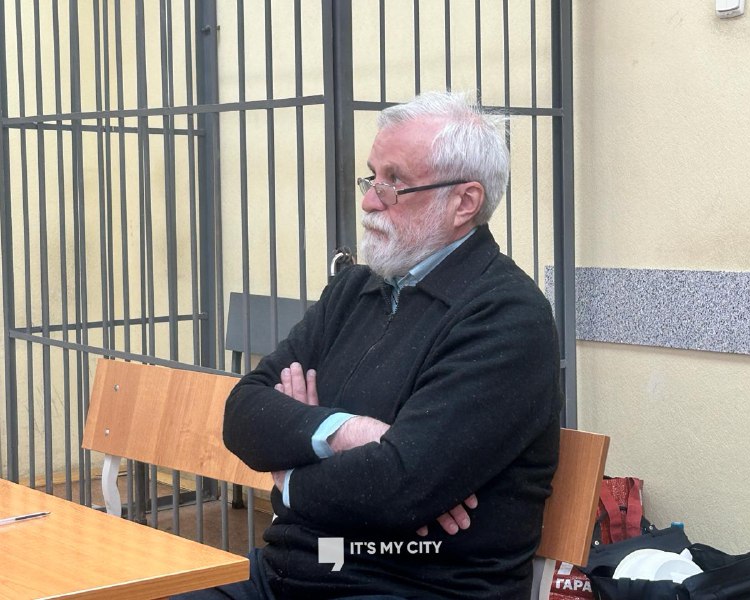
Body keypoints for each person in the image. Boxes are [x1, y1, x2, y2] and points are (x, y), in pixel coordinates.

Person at [181, 91, 562, 599]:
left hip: (411, 585)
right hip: (288, 572)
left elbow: (396, 487)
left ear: (464, 203)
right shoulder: (354, 289)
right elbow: (244, 412)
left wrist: (289, 473)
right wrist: (348, 433)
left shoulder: (506, 317)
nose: (369, 200)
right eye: (372, 177)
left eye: (394, 182)